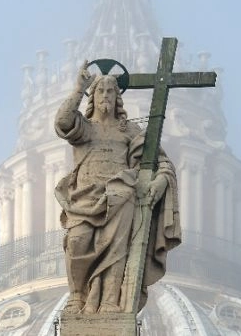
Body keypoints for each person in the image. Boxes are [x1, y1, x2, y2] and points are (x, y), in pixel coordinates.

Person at [54, 62, 181, 314]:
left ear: (117, 98)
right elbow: (63, 122)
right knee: (77, 242)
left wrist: (159, 181)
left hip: (120, 197)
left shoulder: (130, 131)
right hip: (83, 198)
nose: (105, 97)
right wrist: (79, 89)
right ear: (93, 97)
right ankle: (78, 295)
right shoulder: (84, 128)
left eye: (110, 92)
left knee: (116, 248)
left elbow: (162, 162)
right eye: (100, 92)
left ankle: (110, 299)